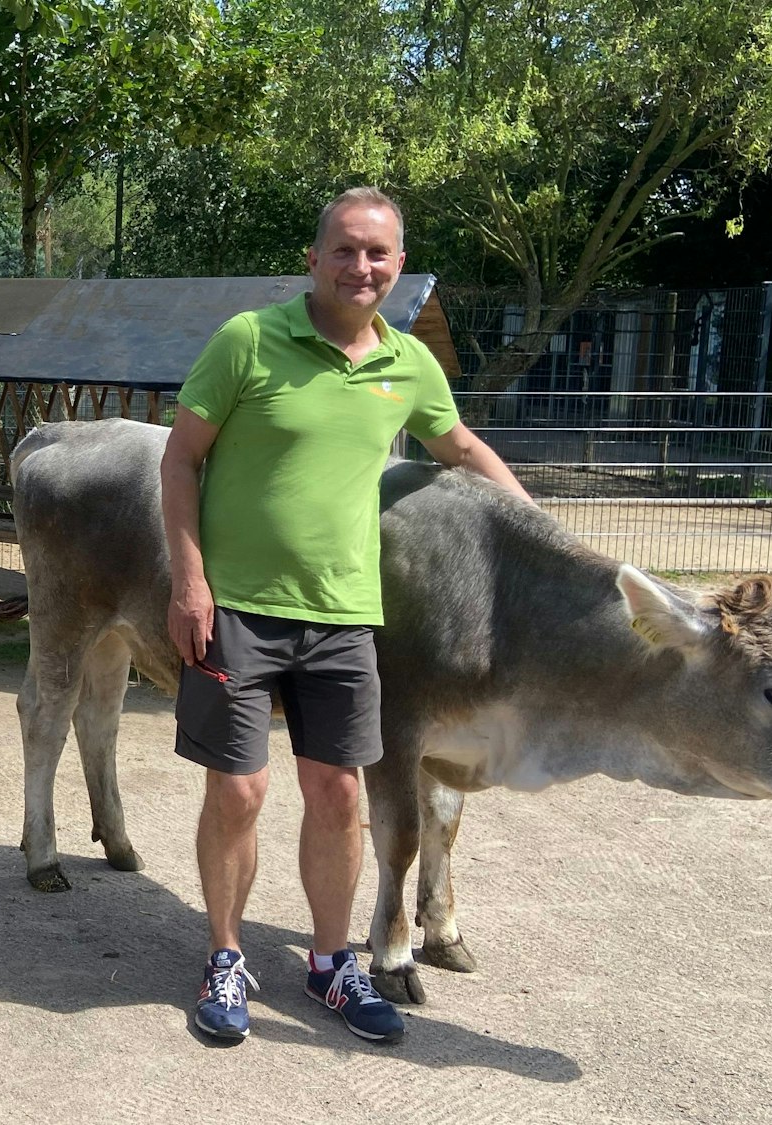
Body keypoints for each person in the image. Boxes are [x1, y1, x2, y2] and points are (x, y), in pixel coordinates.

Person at [161, 187, 531, 1044]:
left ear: (398, 266)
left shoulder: (408, 364)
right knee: (239, 789)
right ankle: (225, 956)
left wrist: (544, 534)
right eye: (344, 250)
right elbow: (181, 460)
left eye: (378, 254)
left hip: (344, 616)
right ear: (313, 258)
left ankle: (332, 966)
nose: (360, 267)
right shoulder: (248, 340)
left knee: (337, 796)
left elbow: (463, 447)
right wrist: (189, 580)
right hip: (238, 612)